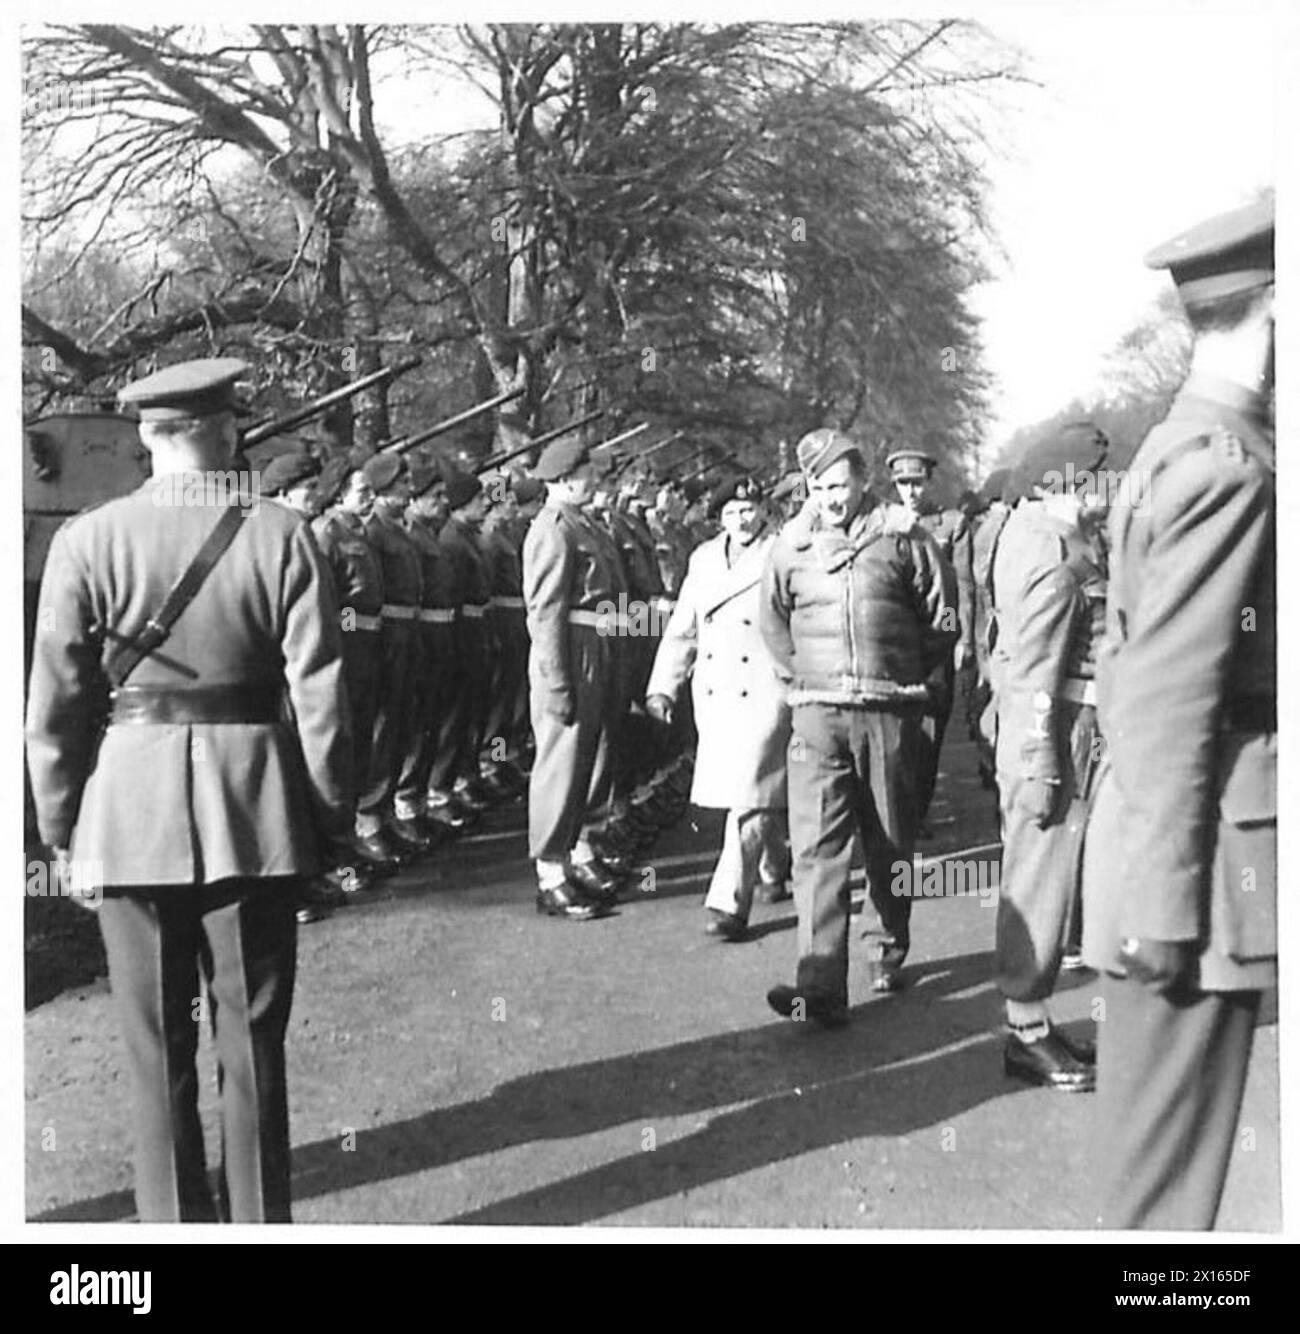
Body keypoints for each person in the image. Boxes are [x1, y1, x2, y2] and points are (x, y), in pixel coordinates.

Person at [25, 359, 352, 1222]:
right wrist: (324, 817)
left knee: (154, 1051)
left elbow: (53, 706)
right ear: (227, 432)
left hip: (127, 814)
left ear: (145, 436)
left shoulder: (86, 542)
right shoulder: (281, 534)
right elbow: (320, 694)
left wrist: (63, 827)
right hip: (254, 813)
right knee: (251, 1048)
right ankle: (256, 1228)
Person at [1083, 194, 1276, 1229]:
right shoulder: (1228, 466)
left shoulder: (1189, 445)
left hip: (1188, 866)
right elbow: (1162, 701)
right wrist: (1161, 907)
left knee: (1161, 1199)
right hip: (1197, 881)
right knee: (1160, 1210)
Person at [761, 428, 957, 1025]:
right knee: (817, 848)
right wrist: (803, 681)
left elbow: (941, 616)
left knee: (889, 840)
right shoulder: (789, 548)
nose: (831, 498)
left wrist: (904, 678)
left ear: (862, 481)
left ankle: (886, 948)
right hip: (818, 715)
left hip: (888, 711)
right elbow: (773, 624)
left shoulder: (905, 537)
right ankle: (819, 982)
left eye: (840, 484)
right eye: (820, 487)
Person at [987, 423, 1109, 1091]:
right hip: (1055, 728)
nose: (1105, 493)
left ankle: (1032, 1022)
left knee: (1050, 879)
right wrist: (1040, 760)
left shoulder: (1046, 538)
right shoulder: (1052, 554)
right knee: (1038, 881)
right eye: (1096, 480)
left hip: (1066, 723)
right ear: (1066, 483)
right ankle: (1024, 1031)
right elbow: (1033, 669)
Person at [646, 475, 792, 940]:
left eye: (748, 510)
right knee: (748, 791)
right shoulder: (704, 559)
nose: (741, 519)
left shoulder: (784, 551)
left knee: (750, 789)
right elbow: (683, 627)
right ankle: (773, 866)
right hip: (715, 689)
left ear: (763, 511)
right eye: (730, 512)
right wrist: (663, 686)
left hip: (767, 687)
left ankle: (729, 901)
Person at [522, 431, 626, 919]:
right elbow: (545, 614)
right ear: (565, 478)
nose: (595, 479)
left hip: (598, 644)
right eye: (587, 473)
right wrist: (558, 681)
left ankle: (581, 847)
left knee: (595, 756)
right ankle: (550, 871)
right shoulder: (552, 528)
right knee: (562, 761)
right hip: (571, 649)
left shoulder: (585, 523)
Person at [885, 448, 975, 835]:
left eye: (917, 482)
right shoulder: (882, 522)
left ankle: (916, 811)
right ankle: (896, 811)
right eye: (903, 484)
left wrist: (960, 639)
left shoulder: (949, 524)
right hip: (893, 639)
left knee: (929, 732)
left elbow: (963, 588)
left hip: (936, 640)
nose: (911, 491)